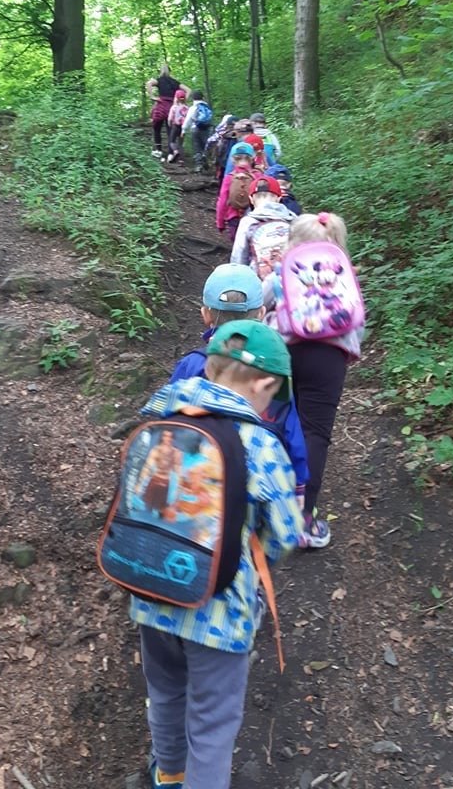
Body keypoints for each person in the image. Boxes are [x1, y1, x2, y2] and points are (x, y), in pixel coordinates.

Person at [129, 319, 304, 789]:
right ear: (264, 385)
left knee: (166, 692)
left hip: (151, 591)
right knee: (212, 722)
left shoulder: (159, 422)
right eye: (274, 396)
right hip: (219, 614)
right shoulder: (261, 446)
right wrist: (253, 557)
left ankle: (169, 773)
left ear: (209, 367)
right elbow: (286, 532)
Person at [170, 263, 308, 515]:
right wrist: (298, 485)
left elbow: (169, 417)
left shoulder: (192, 365)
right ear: (262, 313)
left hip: (194, 482)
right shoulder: (273, 371)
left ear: (205, 315)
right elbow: (291, 431)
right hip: (256, 485)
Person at [262, 212, 364, 549]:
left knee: (273, 424)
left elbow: (260, 305)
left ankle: (263, 510)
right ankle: (302, 522)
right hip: (328, 357)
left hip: (280, 352)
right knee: (315, 434)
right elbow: (357, 321)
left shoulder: (282, 271)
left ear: (293, 241)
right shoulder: (344, 274)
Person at [230, 175, 296, 279]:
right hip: (290, 277)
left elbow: (239, 255)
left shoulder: (248, 222)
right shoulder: (293, 219)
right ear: (279, 198)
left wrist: (236, 279)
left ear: (251, 199)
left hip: (258, 280)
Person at [147, 65, 189, 159]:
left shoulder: (159, 80)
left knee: (157, 128)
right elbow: (188, 90)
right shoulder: (175, 82)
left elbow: (149, 83)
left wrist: (152, 96)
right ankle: (170, 153)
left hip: (161, 105)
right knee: (170, 130)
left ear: (160, 71)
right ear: (170, 71)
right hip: (171, 106)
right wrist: (182, 101)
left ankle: (159, 150)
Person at [215, 142, 255, 242]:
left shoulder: (229, 178)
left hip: (233, 217)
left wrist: (220, 222)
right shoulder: (257, 177)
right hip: (252, 217)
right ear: (252, 159)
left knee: (237, 242)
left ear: (232, 159)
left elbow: (222, 201)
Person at [182, 89, 214, 173]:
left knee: (197, 147)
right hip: (207, 129)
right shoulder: (207, 107)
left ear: (193, 98)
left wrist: (183, 130)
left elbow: (188, 120)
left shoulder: (193, 108)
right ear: (202, 97)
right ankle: (205, 159)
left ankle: (199, 165)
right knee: (206, 146)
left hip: (195, 129)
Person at [166, 90, 189, 163]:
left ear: (176, 98)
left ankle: (175, 151)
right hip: (183, 127)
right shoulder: (187, 108)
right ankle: (181, 160)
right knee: (180, 143)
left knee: (172, 141)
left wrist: (169, 124)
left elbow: (170, 119)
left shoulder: (174, 107)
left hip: (175, 126)